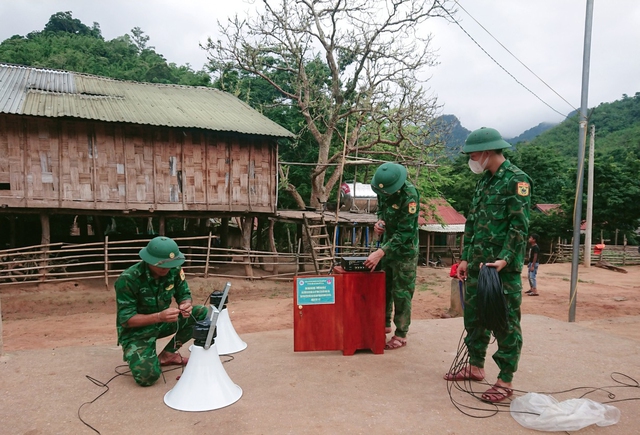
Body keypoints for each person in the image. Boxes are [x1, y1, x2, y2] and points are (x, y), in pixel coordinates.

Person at [443, 127, 532, 403]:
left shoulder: (516, 180)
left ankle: (505, 380)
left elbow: (519, 227)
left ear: (487, 152)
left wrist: (505, 259)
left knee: (504, 323)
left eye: (472, 155)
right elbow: (474, 224)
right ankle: (475, 366)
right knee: (475, 319)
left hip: (500, 270)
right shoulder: (484, 182)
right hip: (478, 265)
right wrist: (466, 258)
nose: (471, 160)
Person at [114, 236, 208, 387]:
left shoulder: (174, 270)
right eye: (162, 265)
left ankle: (168, 354)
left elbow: (184, 294)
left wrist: (185, 305)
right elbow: (126, 320)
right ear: (149, 260)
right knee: (147, 377)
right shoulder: (129, 279)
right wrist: (159, 317)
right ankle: (139, 354)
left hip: (164, 322)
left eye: (171, 264)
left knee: (200, 313)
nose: (166, 268)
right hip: (137, 331)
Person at [364, 162, 420, 350]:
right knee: (383, 287)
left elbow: (405, 233)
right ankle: (384, 323)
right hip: (386, 247)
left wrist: (380, 252)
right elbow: (381, 211)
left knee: (402, 292)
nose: (384, 196)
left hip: (404, 251)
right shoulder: (383, 191)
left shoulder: (409, 196)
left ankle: (401, 333)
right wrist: (379, 222)